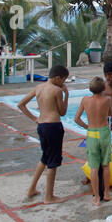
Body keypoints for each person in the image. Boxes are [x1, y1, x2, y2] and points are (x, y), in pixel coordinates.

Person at [18, 64, 70, 203]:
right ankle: (49, 196)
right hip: (53, 126)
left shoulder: (39, 88)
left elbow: (21, 104)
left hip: (41, 125)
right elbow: (63, 112)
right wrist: (66, 95)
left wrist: (34, 118)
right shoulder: (56, 91)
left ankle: (31, 189)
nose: (63, 84)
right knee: (53, 162)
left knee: (45, 158)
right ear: (58, 78)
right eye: (63, 81)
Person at [73, 77, 112, 205]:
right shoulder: (107, 100)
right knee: (105, 165)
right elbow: (111, 113)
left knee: (94, 167)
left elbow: (76, 119)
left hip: (92, 133)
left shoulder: (85, 100)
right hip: (104, 133)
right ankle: (106, 193)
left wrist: (87, 127)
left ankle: (96, 197)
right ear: (103, 88)